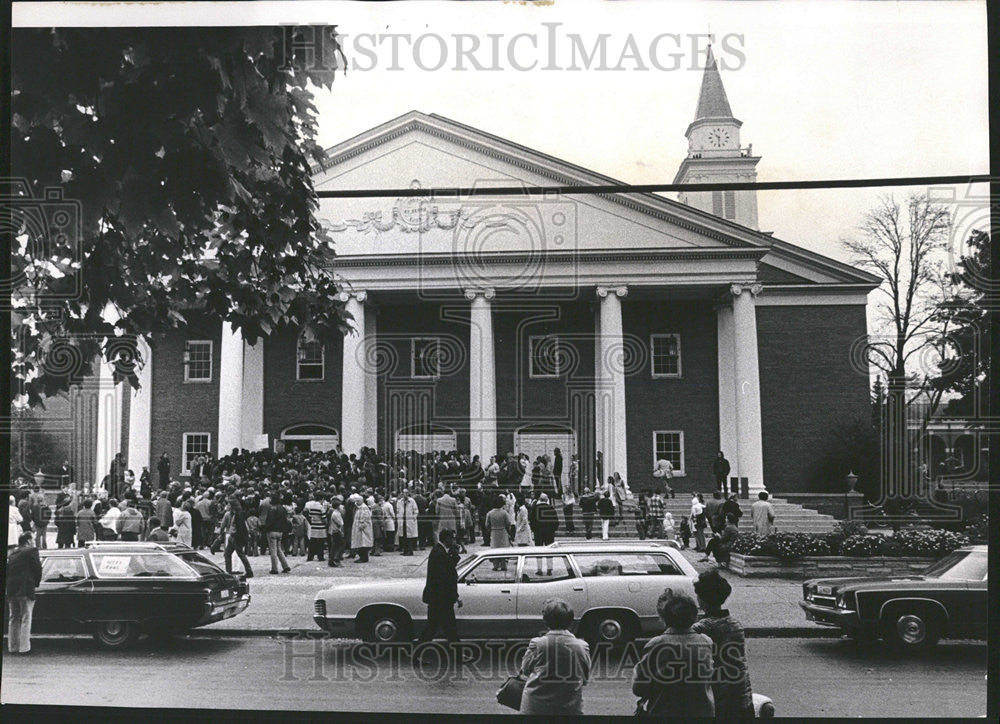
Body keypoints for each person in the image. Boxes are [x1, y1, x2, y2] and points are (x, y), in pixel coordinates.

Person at [632, 590, 715, 718]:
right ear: (694, 615)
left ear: (664, 617)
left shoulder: (656, 644)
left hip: (664, 713)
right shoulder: (706, 641)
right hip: (702, 713)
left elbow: (638, 688)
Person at [692, 569, 754, 720]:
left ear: (702, 600)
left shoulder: (702, 628)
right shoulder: (736, 625)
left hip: (719, 700)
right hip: (742, 696)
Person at [517, 598, 592, 716]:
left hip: (535, 708)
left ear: (545, 621)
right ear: (570, 621)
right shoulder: (582, 647)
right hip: (569, 707)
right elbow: (585, 678)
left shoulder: (537, 644)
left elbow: (525, 670)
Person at [415, 528, 461, 645]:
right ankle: (458, 654)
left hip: (439, 599)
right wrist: (454, 596)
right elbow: (446, 576)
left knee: (445, 629)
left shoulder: (440, 551)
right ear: (447, 539)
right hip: (440, 599)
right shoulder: (439, 553)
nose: (454, 542)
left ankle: (458, 654)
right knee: (443, 628)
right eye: (452, 539)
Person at [6, 532, 43, 655]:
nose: (34, 540)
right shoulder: (32, 551)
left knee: (13, 618)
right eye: (33, 538)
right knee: (26, 617)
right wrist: (36, 583)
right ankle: (24, 648)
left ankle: (13, 647)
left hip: (11, 590)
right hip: (26, 589)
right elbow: (38, 568)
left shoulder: (12, 553)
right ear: (28, 541)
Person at [223, 498, 254, 578]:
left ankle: (248, 571)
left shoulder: (238, 514)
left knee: (239, 554)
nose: (228, 506)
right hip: (234, 537)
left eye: (229, 505)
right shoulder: (237, 513)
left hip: (235, 537)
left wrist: (237, 536)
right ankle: (229, 572)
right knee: (229, 554)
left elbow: (240, 527)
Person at [263, 495, 292, 574]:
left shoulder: (272, 509)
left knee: (273, 551)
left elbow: (270, 521)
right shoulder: (282, 508)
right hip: (280, 531)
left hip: (272, 531)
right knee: (279, 549)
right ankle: (285, 566)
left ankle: (274, 568)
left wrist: (265, 528)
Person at [486, 495, 513, 570]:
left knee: (495, 549)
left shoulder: (489, 513)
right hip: (503, 532)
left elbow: (487, 524)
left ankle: (495, 565)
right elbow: (508, 523)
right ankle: (504, 565)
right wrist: (509, 532)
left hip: (494, 532)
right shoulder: (504, 513)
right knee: (503, 549)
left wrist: (490, 530)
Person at [304, 492, 329, 561]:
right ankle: (320, 557)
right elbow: (324, 518)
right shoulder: (321, 507)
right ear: (322, 499)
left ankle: (310, 556)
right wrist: (326, 524)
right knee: (320, 543)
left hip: (313, 526)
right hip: (320, 527)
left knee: (312, 542)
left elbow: (309, 516)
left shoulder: (311, 506)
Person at [396, 490, 418, 556]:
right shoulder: (399, 502)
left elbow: (416, 510)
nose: (405, 494)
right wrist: (398, 517)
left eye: (406, 493)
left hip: (409, 521)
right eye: (403, 493)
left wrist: (414, 518)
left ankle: (410, 551)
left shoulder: (412, 501)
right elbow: (397, 510)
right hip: (402, 521)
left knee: (410, 537)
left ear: (408, 494)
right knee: (404, 537)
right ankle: (405, 550)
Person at [351, 497, 373, 563]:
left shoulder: (364, 508)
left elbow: (365, 518)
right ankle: (363, 557)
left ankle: (363, 558)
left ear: (362, 501)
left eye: (358, 501)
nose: (356, 502)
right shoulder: (360, 507)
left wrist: (362, 525)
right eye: (356, 501)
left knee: (363, 543)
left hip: (362, 529)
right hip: (359, 528)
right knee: (361, 543)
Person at [327, 498, 346, 566]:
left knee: (334, 546)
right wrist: (342, 532)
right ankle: (336, 557)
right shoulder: (336, 514)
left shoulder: (335, 513)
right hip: (337, 531)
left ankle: (331, 560)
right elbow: (341, 523)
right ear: (338, 506)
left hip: (334, 531)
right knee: (342, 544)